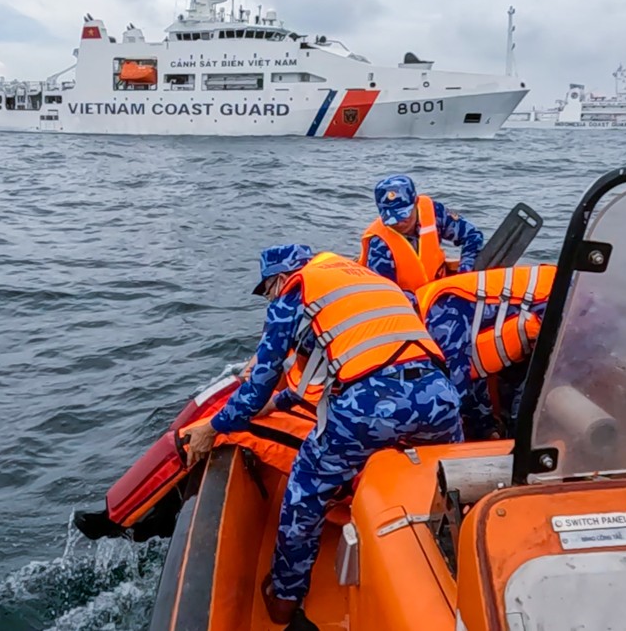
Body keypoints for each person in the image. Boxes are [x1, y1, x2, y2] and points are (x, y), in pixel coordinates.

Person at [185, 244, 463, 623]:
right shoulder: (369, 282)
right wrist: (280, 403)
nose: (270, 298)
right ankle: (458, 568)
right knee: (452, 486)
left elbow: (261, 380)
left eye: (267, 291)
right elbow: (358, 359)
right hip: (441, 397)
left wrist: (215, 426)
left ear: (280, 278)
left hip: (370, 406)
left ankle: (284, 598)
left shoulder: (295, 291)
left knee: (305, 491)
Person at [417, 264, 555, 440]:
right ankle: (504, 433)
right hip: (554, 293)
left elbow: (455, 385)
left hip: (553, 300)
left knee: (538, 381)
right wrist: (486, 426)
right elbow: (474, 370)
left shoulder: (440, 313)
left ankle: (519, 437)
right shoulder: (439, 303)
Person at [359, 174, 485, 306]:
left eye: (404, 215)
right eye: (392, 219)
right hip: (411, 306)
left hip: (441, 291)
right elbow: (384, 293)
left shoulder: (434, 212)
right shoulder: (378, 243)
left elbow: (473, 236)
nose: (399, 222)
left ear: (415, 203)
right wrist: (421, 302)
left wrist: (465, 273)